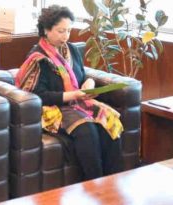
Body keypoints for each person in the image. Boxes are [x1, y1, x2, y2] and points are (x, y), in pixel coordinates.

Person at [15, 5, 124, 180]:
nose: (66, 36)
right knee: (87, 129)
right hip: (53, 108)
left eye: (68, 30)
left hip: (78, 103)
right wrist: (73, 95)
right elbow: (38, 96)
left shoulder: (71, 50)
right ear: (46, 30)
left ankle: (112, 182)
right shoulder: (38, 59)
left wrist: (90, 83)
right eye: (60, 31)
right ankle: (94, 184)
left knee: (108, 121)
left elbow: (82, 75)